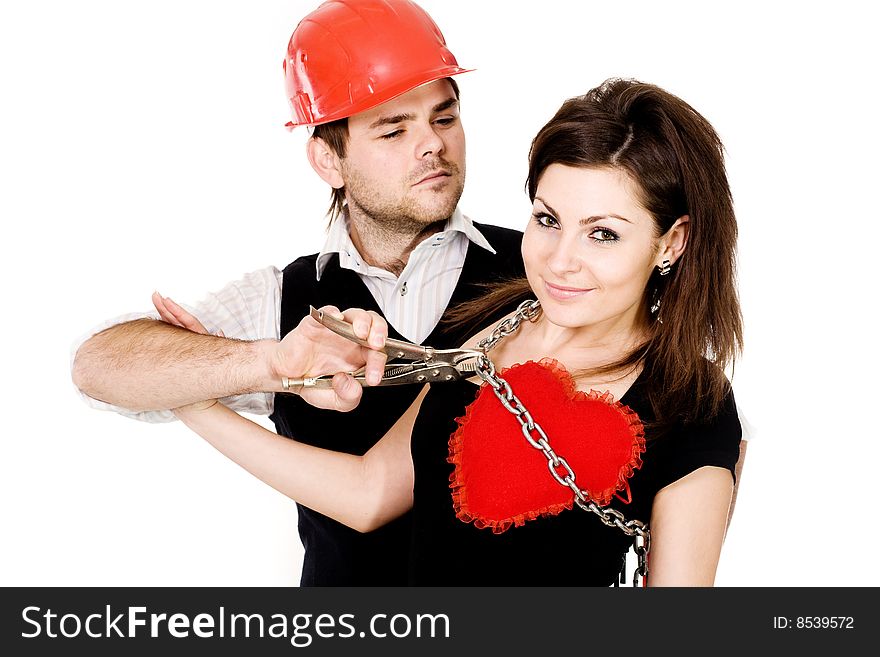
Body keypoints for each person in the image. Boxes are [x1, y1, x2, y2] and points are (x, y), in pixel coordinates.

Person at [169, 78, 745, 586]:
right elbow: (369, 494)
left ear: (671, 241)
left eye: (604, 235)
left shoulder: (692, 402)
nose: (560, 260)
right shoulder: (492, 333)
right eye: (548, 220)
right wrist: (194, 402)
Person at [70, 0, 525, 585]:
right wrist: (269, 362)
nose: (432, 146)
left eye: (444, 118)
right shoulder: (278, 300)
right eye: (393, 128)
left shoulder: (543, 271)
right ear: (326, 159)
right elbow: (98, 370)